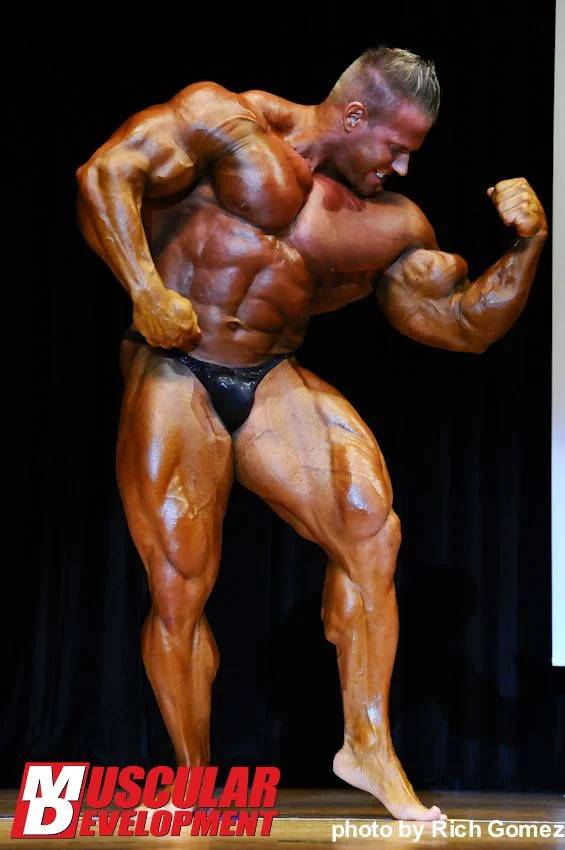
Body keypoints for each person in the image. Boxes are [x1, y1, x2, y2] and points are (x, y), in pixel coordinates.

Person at [76, 46, 547, 821]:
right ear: (354, 115)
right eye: (396, 147)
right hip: (173, 365)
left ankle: (367, 746)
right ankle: (192, 781)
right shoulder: (227, 119)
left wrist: (528, 246)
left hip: (270, 375)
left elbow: (462, 325)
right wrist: (145, 290)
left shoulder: (392, 224)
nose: (401, 167)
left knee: (370, 525)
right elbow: (104, 176)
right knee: (180, 587)